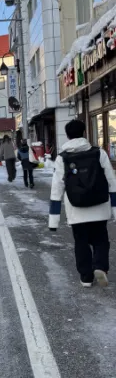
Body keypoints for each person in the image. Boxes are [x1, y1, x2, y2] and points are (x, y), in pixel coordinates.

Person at [49, 119, 116, 288]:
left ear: (67, 136)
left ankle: (86, 277)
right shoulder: (99, 153)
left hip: (76, 210)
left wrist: (53, 220)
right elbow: (111, 180)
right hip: (100, 207)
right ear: (84, 133)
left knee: (81, 242)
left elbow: (56, 188)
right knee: (101, 239)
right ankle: (100, 266)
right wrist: (115, 208)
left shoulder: (62, 158)